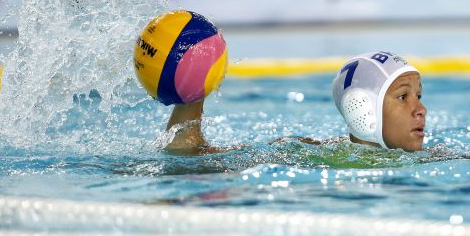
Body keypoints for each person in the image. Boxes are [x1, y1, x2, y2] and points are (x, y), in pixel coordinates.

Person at [164, 51, 426, 154]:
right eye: (403, 97)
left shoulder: (431, 159)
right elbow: (185, 154)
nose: (420, 110)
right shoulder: (306, 154)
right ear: (362, 107)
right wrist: (192, 93)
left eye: (419, 96)